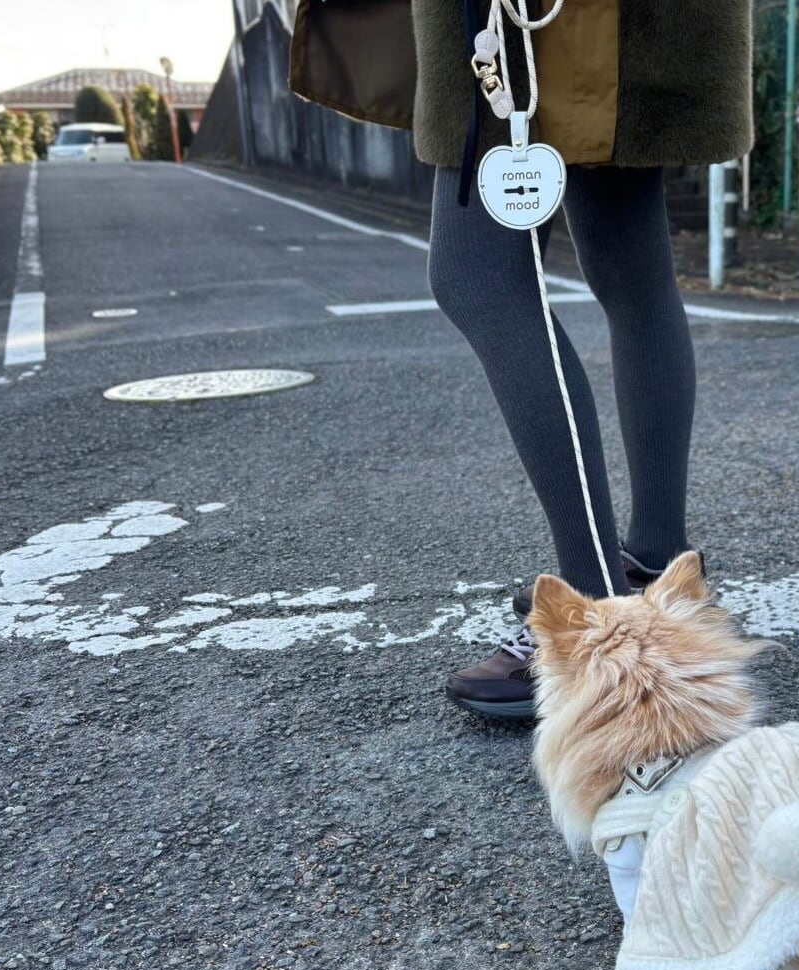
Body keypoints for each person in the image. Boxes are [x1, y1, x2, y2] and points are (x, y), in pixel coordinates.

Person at [291, 0, 754, 717]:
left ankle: (601, 613)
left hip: (530, 22)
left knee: (475, 278)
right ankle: (657, 563)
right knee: (631, 268)